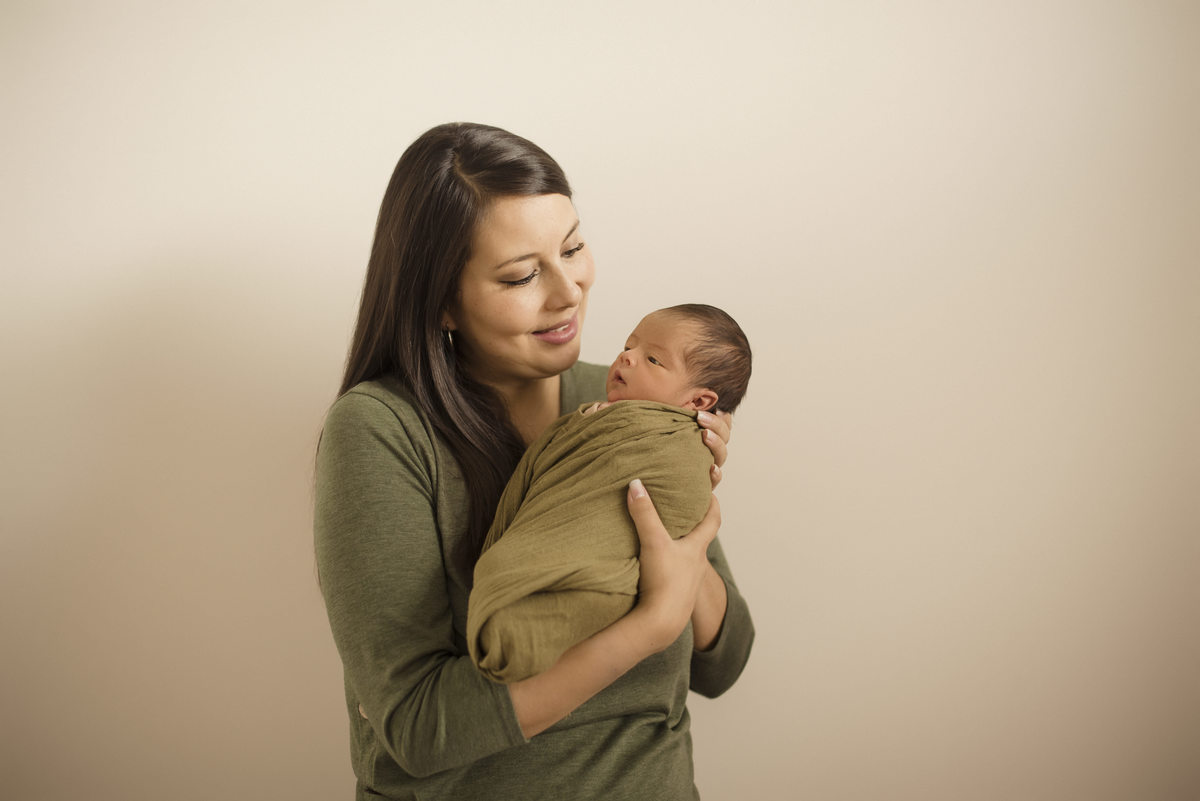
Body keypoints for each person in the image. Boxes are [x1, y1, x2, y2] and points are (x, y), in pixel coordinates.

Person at [314, 122, 754, 800]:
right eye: (522, 275)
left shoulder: (634, 402)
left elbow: (723, 662)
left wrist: (683, 512)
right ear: (443, 302)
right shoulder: (382, 431)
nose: (568, 290)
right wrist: (649, 626)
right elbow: (418, 727)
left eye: (572, 247)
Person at [468, 304, 752, 683]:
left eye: (652, 359)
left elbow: (723, 667)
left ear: (699, 403)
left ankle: (524, 629)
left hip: (601, 589)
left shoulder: (669, 430)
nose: (627, 357)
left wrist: (691, 527)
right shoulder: (614, 406)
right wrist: (656, 621)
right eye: (629, 346)